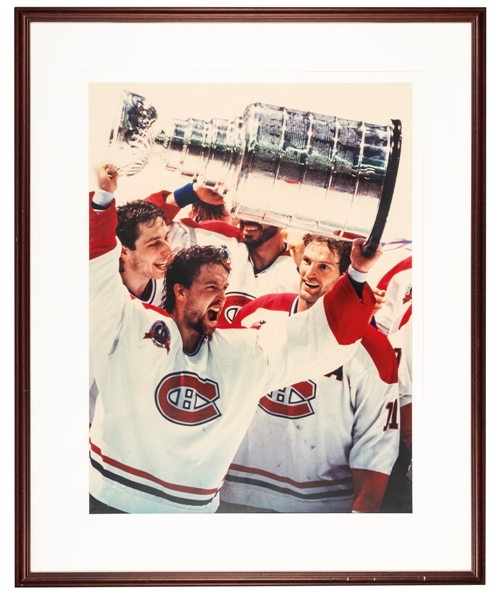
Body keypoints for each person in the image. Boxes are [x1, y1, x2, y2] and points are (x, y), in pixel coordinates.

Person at [89, 166, 380, 513]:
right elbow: (100, 267)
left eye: (224, 289)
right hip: (109, 496)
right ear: (178, 291)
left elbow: (322, 340)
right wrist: (105, 199)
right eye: (211, 288)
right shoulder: (128, 323)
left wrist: (359, 272)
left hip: (188, 516)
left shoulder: (245, 352)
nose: (222, 299)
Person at [219, 233, 400, 513]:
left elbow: (376, 447)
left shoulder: (374, 349)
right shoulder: (258, 311)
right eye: (306, 261)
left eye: (324, 267)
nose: (310, 273)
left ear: (345, 277)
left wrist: (363, 514)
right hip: (234, 491)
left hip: (316, 506)